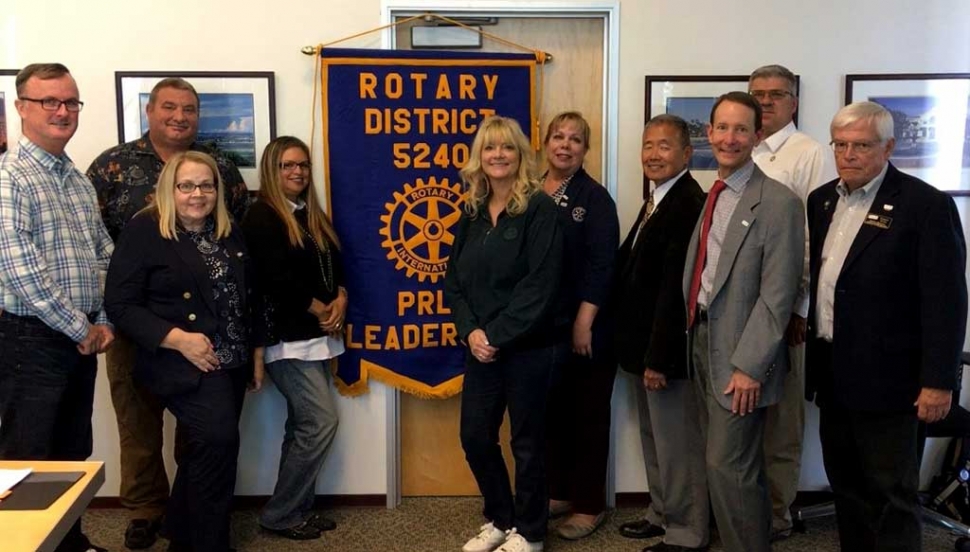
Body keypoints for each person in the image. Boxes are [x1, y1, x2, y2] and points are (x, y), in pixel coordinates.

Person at [87, 77, 250, 550]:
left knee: (204, 440)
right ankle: (146, 512)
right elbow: (98, 246)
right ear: (150, 112)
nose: (179, 117)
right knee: (139, 428)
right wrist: (171, 336)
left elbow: (237, 256)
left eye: (189, 109)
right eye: (169, 108)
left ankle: (186, 522)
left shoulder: (219, 167)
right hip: (142, 328)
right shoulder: (112, 166)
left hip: (218, 348)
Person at [806, 101, 967, 552]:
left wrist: (938, 381)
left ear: (888, 146)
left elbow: (948, 302)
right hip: (835, 373)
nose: (849, 154)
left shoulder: (926, 205)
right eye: (841, 144)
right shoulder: (821, 201)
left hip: (894, 381)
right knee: (847, 488)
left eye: (862, 145)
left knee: (891, 495)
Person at [682, 91, 804, 552]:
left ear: (758, 136)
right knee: (722, 467)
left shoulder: (777, 202)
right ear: (708, 133)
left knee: (730, 467)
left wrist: (751, 366)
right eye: (722, 128)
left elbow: (778, 295)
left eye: (740, 129)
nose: (729, 138)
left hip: (740, 355)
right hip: (703, 341)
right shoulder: (713, 192)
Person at [0, 63, 112, 552]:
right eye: (50, 101)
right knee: (29, 457)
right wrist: (80, 328)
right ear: (22, 106)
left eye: (70, 102)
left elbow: (104, 255)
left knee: (71, 452)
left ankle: (69, 543)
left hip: (79, 339)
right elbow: (20, 271)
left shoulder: (78, 180)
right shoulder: (10, 179)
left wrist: (104, 320)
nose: (62, 111)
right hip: (30, 339)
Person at [444, 115, 566, 552]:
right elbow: (453, 282)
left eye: (507, 147)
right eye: (490, 148)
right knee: (475, 436)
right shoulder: (472, 212)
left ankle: (531, 532)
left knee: (527, 442)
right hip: (481, 349)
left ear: (521, 156)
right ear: (479, 157)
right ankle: (501, 518)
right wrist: (471, 332)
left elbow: (540, 285)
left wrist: (494, 335)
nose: (498, 155)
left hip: (530, 348)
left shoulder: (540, 208)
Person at [242, 136, 346, 540]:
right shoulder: (262, 217)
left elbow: (335, 261)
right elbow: (274, 279)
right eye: (288, 165)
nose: (298, 171)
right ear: (272, 169)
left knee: (303, 425)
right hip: (287, 339)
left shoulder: (308, 214)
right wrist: (322, 309)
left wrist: (341, 297)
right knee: (321, 422)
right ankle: (281, 512)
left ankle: (297, 507)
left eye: (302, 164)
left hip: (317, 337)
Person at [747, 64, 834, 541]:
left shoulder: (809, 154)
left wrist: (799, 309)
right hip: (744, 308)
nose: (766, 101)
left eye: (776, 94)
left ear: (793, 102)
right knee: (745, 415)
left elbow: (811, 238)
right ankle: (746, 508)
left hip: (785, 312)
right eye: (757, 93)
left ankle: (778, 514)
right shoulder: (747, 150)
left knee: (780, 420)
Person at [615, 115, 708, 552]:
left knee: (678, 447)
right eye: (648, 145)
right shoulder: (656, 199)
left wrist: (659, 358)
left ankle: (687, 532)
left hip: (664, 353)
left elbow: (677, 289)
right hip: (640, 346)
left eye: (665, 146)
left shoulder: (689, 203)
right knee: (654, 439)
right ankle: (661, 513)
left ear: (687, 154)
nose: (653, 154)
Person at [541, 111, 619, 540]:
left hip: (586, 328)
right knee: (552, 414)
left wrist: (583, 322)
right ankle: (559, 492)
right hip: (545, 330)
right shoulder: (532, 190)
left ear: (586, 150)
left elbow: (603, 265)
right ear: (545, 142)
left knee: (587, 416)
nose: (565, 145)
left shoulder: (595, 197)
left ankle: (589, 504)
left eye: (575, 139)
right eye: (558, 137)